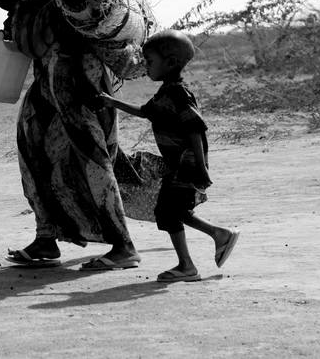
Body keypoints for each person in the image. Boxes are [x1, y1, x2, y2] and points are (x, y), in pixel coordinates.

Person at [0, 0, 147, 270]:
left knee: (89, 150)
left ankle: (123, 244)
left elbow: (81, 11)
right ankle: (46, 237)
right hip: (49, 72)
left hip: (76, 72)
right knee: (34, 143)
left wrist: (30, 11)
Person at [96, 29, 240, 282]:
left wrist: (201, 167)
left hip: (186, 165)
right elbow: (145, 112)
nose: (146, 67)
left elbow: (195, 129)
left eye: (150, 62)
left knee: (170, 210)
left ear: (171, 63)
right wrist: (111, 102)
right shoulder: (166, 91)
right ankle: (202, 250)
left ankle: (203, 250)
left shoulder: (177, 94)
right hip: (177, 165)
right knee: (169, 211)